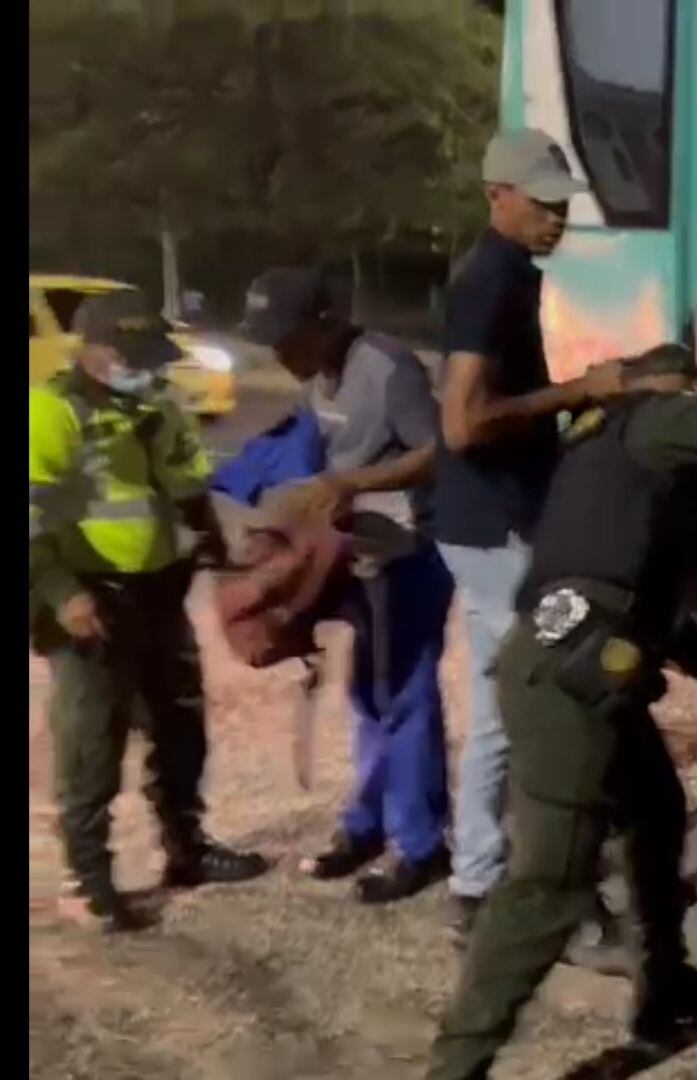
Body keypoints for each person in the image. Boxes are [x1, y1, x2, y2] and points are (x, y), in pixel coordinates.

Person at [425, 344, 697, 1079]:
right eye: (694, 392)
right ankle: (457, 1065)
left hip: (578, 667)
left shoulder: (603, 452)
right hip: (569, 686)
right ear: (675, 389)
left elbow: (640, 594)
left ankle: (667, 991)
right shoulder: (654, 420)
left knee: (654, 813)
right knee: (549, 884)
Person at [432, 128, 626, 937]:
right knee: (534, 700)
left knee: (500, 702)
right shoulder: (487, 284)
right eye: (542, 204)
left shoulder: (509, 274)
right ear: (497, 196)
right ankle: (528, 884)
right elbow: (464, 423)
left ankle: (479, 875)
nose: (556, 218)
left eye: (562, 205)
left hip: (488, 526)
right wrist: (579, 389)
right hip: (496, 533)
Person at [29, 289, 270, 932]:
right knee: (92, 744)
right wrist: (63, 595)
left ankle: (186, 849)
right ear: (95, 351)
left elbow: (188, 487)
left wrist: (220, 558)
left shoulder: (158, 404)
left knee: (180, 725)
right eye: (134, 356)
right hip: (90, 596)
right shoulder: (51, 413)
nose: (150, 369)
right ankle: (89, 882)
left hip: (161, 589)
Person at [237, 265, 455, 904]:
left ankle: (420, 845)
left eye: (287, 339)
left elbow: (440, 452)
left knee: (407, 698)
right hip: (356, 558)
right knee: (366, 695)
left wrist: (349, 487)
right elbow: (326, 455)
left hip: (409, 555)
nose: (280, 354)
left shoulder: (389, 369)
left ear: (323, 323)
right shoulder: (320, 379)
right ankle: (367, 825)